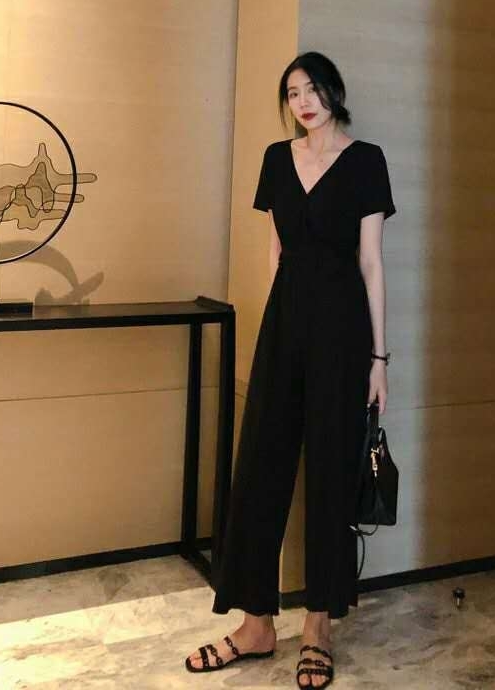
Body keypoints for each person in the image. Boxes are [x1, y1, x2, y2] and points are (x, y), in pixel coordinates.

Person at [184, 51, 396, 689]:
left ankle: (318, 627)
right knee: (259, 467)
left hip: (343, 333)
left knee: (331, 472)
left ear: (334, 92)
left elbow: (371, 264)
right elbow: (276, 253)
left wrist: (379, 359)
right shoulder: (277, 160)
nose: (302, 102)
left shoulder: (366, 160)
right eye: (292, 93)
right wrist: (274, 329)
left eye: (312, 89)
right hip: (285, 327)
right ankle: (255, 624)